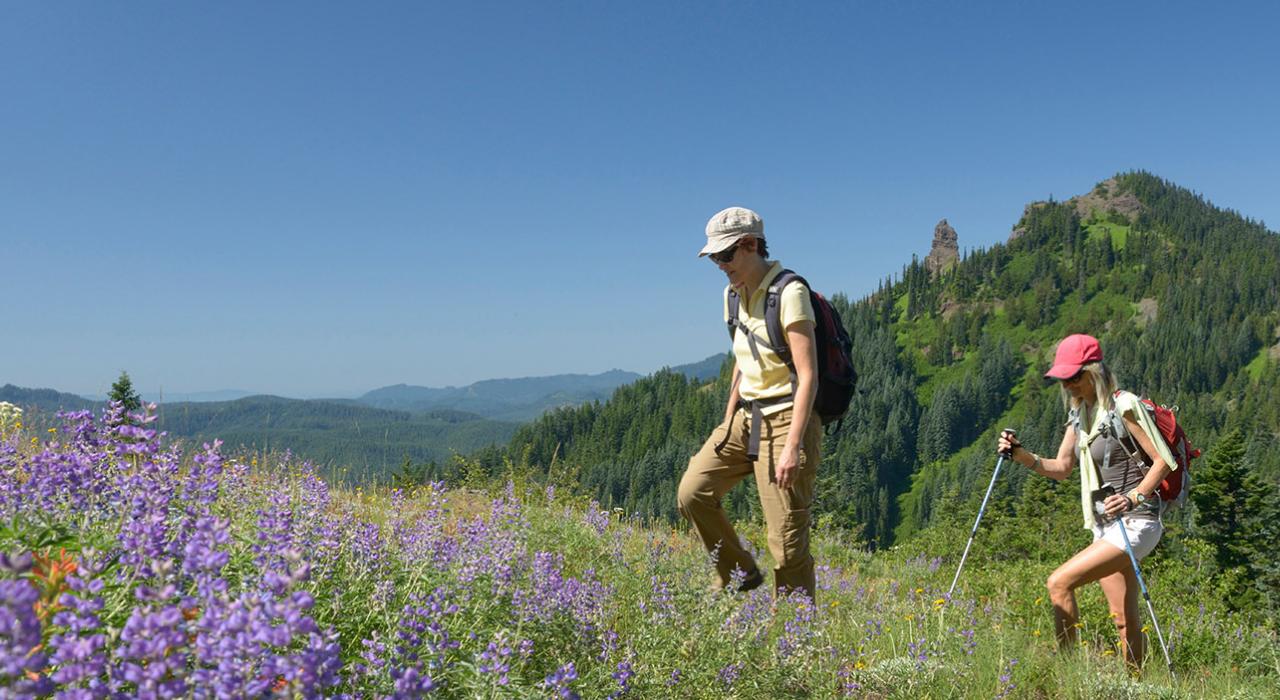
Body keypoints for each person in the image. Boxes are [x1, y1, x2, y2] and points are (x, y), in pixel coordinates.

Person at [998, 333, 1176, 667]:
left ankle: (1066, 675)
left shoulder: (1124, 406)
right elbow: (1061, 467)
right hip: (1106, 528)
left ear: (1093, 371)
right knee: (1123, 619)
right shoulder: (1080, 414)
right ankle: (1136, 684)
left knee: (1059, 582)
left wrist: (1134, 497)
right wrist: (1020, 455)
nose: (1067, 385)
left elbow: (1164, 461)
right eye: (1063, 379)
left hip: (1138, 523)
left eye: (1073, 377)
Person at [676, 206, 822, 601]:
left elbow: (808, 375)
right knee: (693, 492)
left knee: (787, 543)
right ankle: (739, 572)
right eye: (715, 258)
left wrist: (793, 446)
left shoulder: (789, 293)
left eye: (726, 255)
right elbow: (744, 359)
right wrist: (728, 419)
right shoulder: (732, 295)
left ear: (751, 245)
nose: (720, 266)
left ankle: (794, 640)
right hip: (747, 417)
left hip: (788, 419)